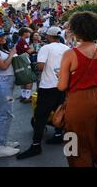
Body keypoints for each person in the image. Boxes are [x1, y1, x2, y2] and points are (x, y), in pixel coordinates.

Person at [56, 12, 97, 167]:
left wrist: (61, 76)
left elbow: (62, 86)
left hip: (80, 101)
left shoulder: (70, 54)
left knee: (75, 144)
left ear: (77, 30)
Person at [17, 27, 70, 160]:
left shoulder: (45, 48)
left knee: (40, 116)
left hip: (48, 87)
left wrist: (33, 65)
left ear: (49, 36)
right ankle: (58, 135)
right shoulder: (66, 48)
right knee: (59, 111)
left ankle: (36, 146)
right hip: (62, 85)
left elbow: (40, 66)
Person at [0, 28, 19, 157]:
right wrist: (11, 54)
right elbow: (3, 66)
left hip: (6, 85)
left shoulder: (1, 49)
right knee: (5, 114)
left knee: (3, 113)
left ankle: (2, 141)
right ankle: (0, 146)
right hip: (2, 85)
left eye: (3, 35)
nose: (2, 38)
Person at [16, 27, 35, 103]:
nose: (29, 34)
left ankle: (24, 96)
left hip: (20, 62)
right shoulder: (22, 41)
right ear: (24, 33)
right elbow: (29, 51)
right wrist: (35, 49)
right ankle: (27, 97)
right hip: (23, 62)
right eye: (28, 32)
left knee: (24, 80)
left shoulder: (21, 40)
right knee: (28, 80)